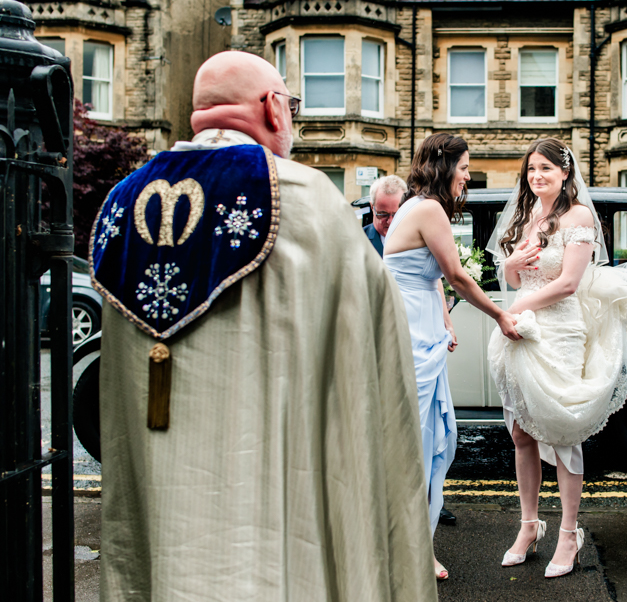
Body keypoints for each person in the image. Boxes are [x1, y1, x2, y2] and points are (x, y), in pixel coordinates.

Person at [89, 51, 437, 602]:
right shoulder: (302, 199)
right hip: (276, 500)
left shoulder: (122, 206)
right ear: (274, 109)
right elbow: (370, 357)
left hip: (164, 489)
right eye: (291, 105)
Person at [486, 137, 627, 578]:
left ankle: (569, 532)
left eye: (545, 168)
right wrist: (511, 264)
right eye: (531, 169)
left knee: (562, 432)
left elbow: (568, 284)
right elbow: (512, 273)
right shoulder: (526, 216)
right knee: (521, 432)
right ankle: (528, 526)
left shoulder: (578, 216)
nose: (536, 176)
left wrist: (514, 308)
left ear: (564, 173)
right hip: (518, 329)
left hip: (559, 329)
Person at [383, 132, 521, 581]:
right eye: (464, 168)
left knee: (426, 440)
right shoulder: (427, 208)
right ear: (446, 167)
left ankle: (414, 545)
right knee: (418, 447)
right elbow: (457, 275)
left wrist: (444, 319)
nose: (467, 177)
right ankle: (412, 552)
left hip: (420, 325)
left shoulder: (414, 206)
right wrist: (500, 314)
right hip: (409, 334)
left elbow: (432, 279)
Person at [363, 173, 460, 527]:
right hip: (385, 345)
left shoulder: (419, 225)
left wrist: (446, 322)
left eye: (393, 213)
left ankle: (427, 512)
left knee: (430, 432)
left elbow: (434, 279)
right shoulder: (362, 244)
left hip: (424, 339)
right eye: (380, 214)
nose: (387, 222)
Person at [364, 174, 406, 256]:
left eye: (396, 215)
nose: (390, 221)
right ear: (372, 207)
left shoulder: (417, 240)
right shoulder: (358, 241)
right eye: (383, 214)